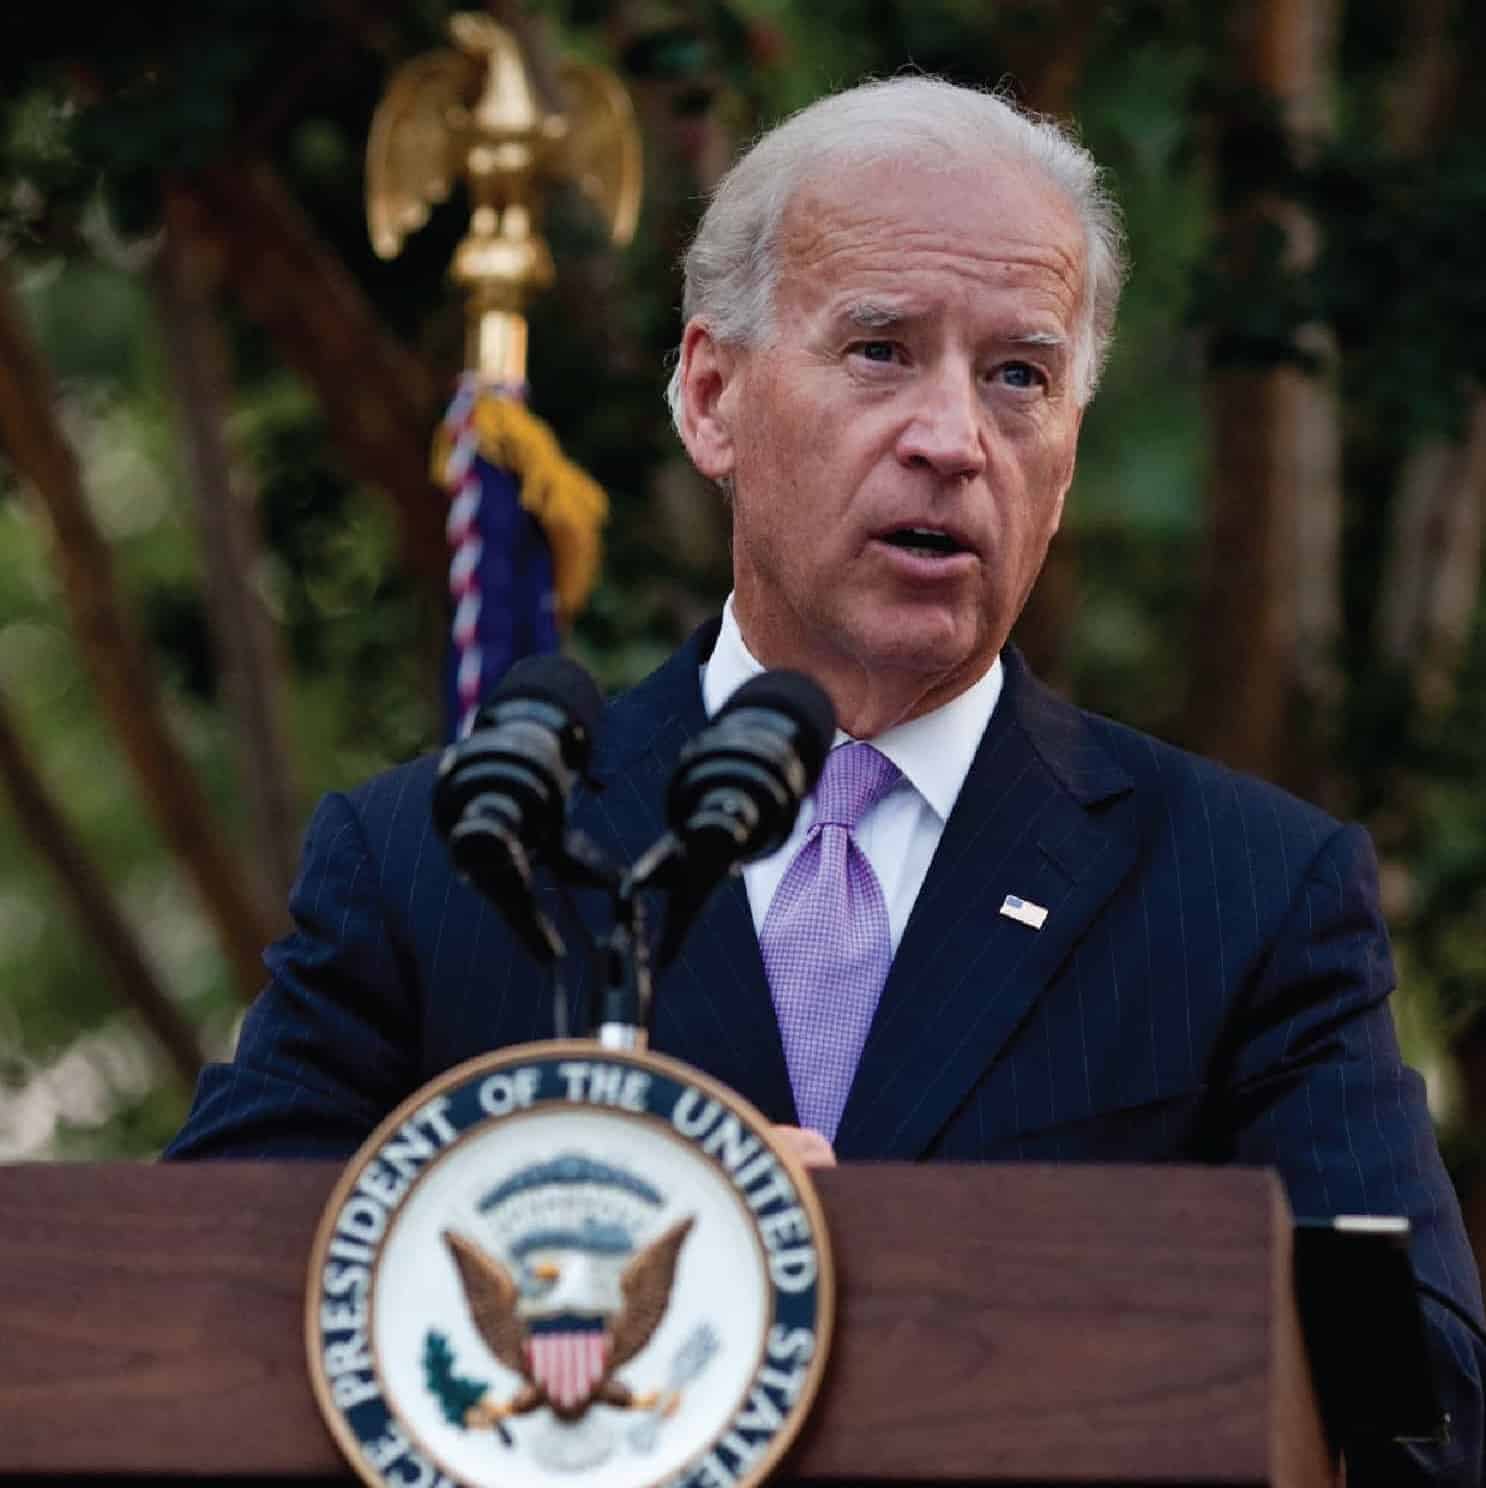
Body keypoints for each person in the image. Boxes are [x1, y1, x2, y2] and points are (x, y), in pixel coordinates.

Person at [168, 77, 1484, 1482]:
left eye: (1019, 376)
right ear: (711, 397)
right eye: (879, 350)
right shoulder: (444, 858)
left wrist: (909, 1290)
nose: (952, 437)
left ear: (1067, 453)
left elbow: (1424, 1405)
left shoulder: (1244, 891)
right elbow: (187, 1325)